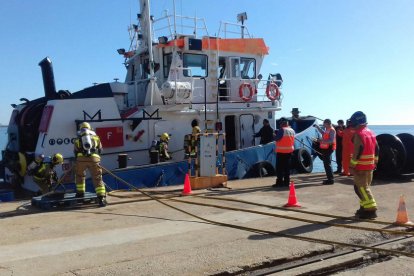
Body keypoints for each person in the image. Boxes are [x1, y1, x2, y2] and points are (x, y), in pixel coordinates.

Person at [349, 111, 379, 219]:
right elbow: (377, 148)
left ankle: (371, 210)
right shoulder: (371, 132)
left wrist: (352, 165)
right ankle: (363, 208)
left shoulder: (359, 134)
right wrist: (375, 161)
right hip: (370, 165)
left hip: (360, 167)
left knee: (361, 188)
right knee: (362, 188)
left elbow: (358, 150)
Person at [74, 122, 107, 207]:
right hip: (94, 159)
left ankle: (80, 194)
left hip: (81, 160)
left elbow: (75, 151)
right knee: (97, 177)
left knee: (79, 175)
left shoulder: (78, 138)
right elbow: (100, 150)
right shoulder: (96, 137)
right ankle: (101, 198)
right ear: (90, 128)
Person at [273, 117, 295, 188]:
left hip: (281, 152)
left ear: (282, 125)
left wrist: (274, 135)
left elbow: (277, 138)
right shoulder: (292, 130)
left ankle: (279, 182)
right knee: (287, 168)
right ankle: (286, 182)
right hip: (289, 151)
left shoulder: (282, 130)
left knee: (279, 168)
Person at [314, 119, 336, 185]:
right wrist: (317, 127)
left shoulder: (331, 130)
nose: (323, 125)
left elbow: (331, 140)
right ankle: (330, 178)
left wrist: (320, 141)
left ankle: (330, 180)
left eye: (324, 123)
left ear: (327, 123)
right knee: (327, 163)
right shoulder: (327, 129)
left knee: (327, 164)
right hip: (326, 148)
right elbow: (323, 133)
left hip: (328, 148)